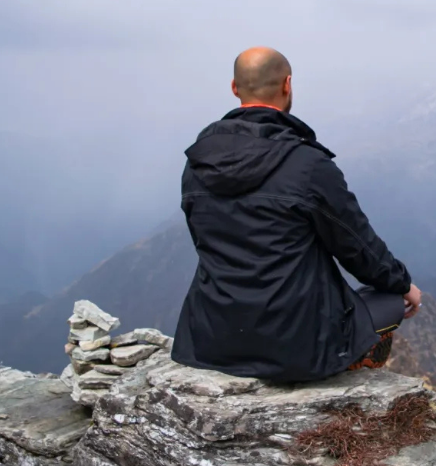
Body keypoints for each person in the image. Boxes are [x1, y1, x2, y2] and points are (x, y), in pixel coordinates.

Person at [171, 46, 422, 382]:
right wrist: (403, 284)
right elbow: (357, 247)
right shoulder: (307, 165)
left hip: (210, 340)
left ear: (234, 88)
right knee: (389, 300)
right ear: (287, 85)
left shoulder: (197, 163)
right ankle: (350, 367)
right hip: (299, 347)